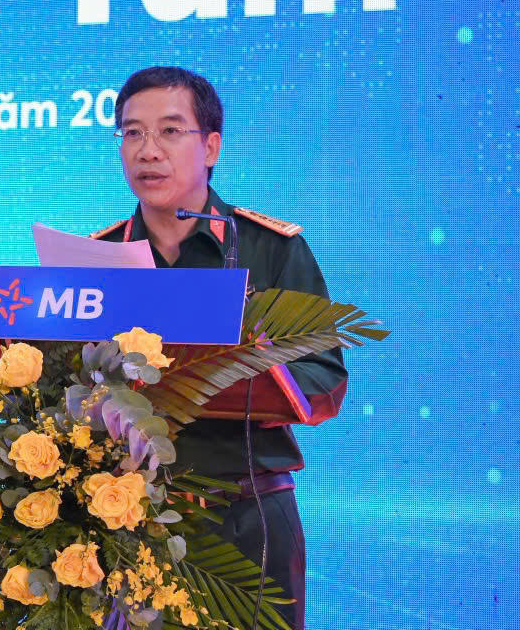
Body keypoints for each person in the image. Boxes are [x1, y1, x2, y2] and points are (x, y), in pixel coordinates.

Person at [91, 66, 348, 630]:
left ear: (210, 146)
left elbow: (325, 377)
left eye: (169, 131)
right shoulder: (96, 260)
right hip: (122, 519)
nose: (148, 150)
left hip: (246, 517)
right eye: (132, 133)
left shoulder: (269, 249)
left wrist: (245, 376)